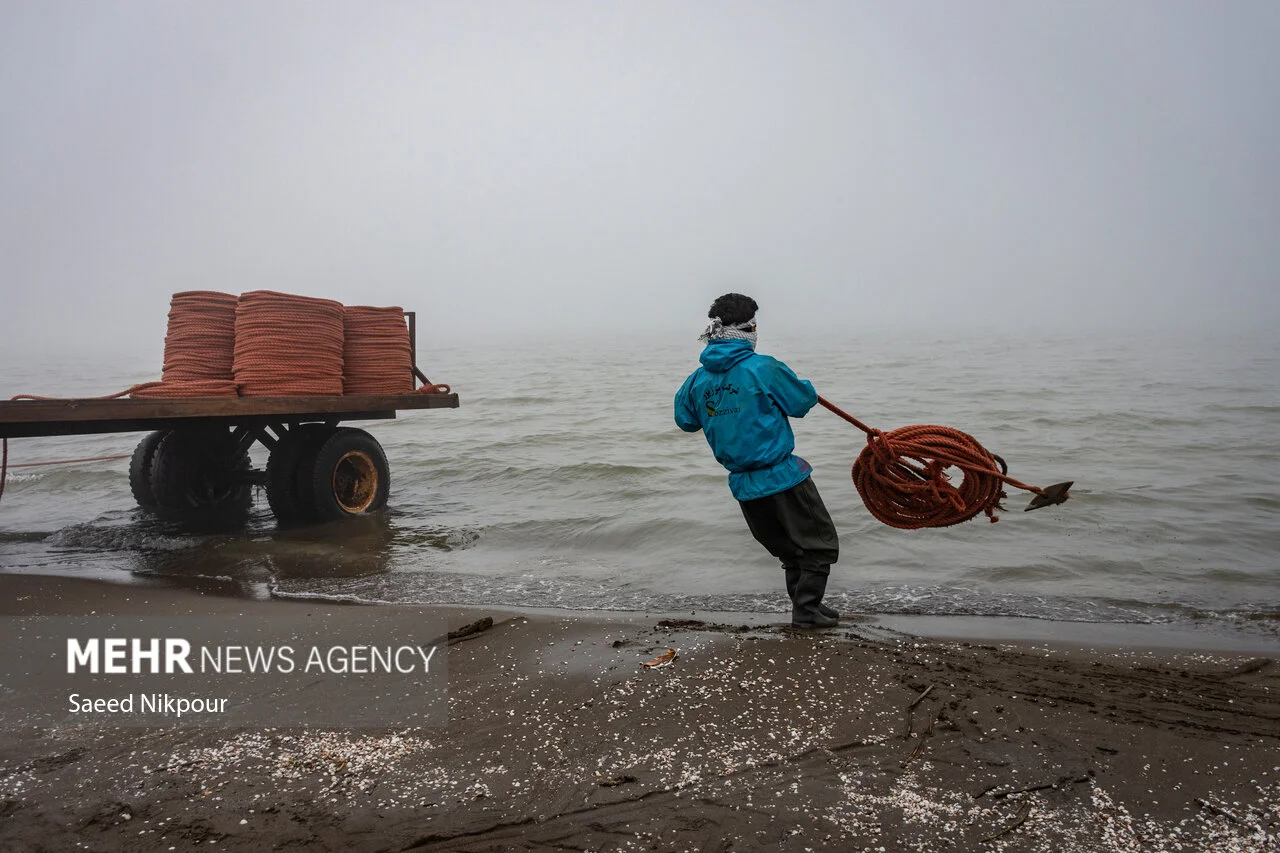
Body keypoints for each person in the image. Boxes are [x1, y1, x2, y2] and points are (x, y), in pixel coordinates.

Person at [674, 293, 840, 628]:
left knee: (789, 551)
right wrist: (803, 386)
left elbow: (685, 420)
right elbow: (801, 403)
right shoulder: (764, 367)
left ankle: (808, 609)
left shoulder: (696, 380)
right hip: (783, 478)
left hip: (745, 486)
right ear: (750, 327)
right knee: (819, 546)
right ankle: (806, 611)